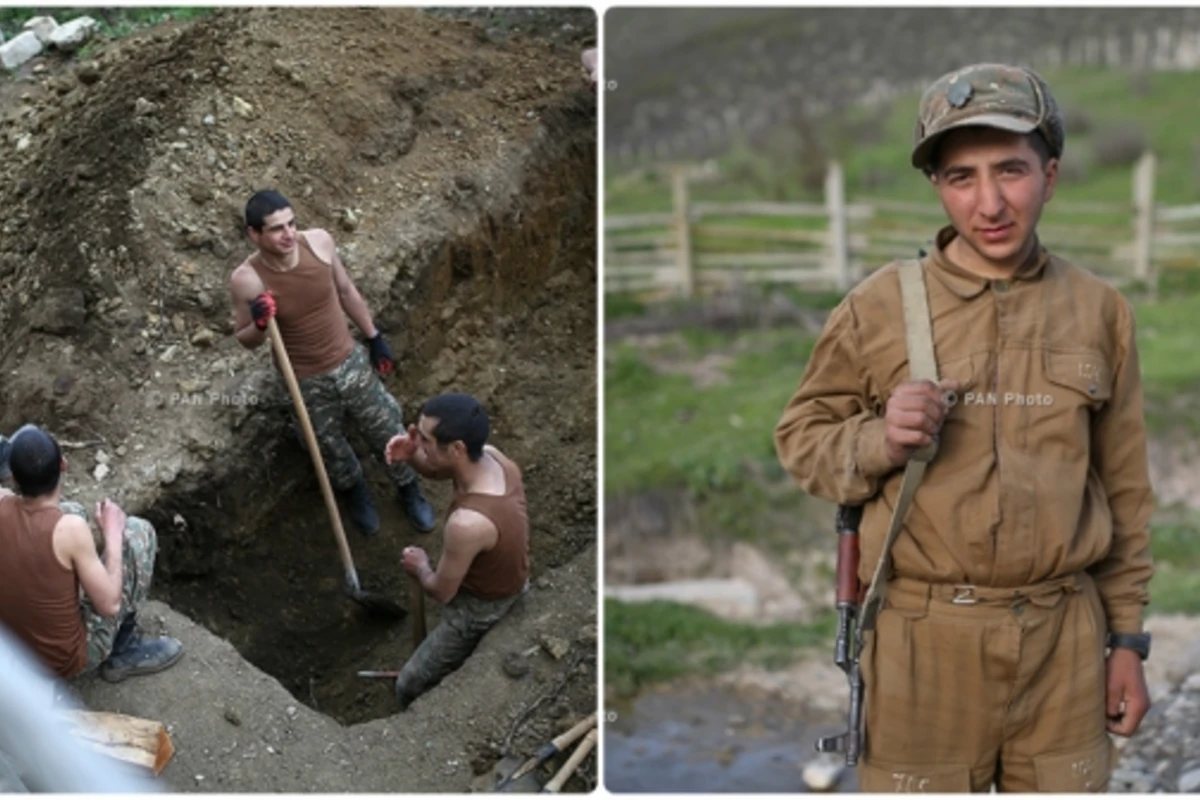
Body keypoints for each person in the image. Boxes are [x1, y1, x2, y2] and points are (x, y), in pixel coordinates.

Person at [774, 63, 1154, 793]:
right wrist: (880, 438)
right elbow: (802, 440)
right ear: (937, 188)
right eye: (961, 177)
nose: (990, 203)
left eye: (1010, 170)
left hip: (1064, 645)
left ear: (1050, 174)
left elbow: (1126, 492)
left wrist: (1128, 641)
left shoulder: (1102, 312)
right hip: (924, 644)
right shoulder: (877, 308)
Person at [229, 189, 435, 536]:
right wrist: (260, 322)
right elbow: (245, 339)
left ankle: (408, 487)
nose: (289, 234)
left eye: (292, 223)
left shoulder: (320, 244)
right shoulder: (247, 280)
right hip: (304, 380)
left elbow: (345, 290)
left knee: (386, 425)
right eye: (277, 228)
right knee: (328, 446)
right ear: (254, 234)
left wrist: (374, 337)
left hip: (349, 362)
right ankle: (355, 491)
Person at [0, 425, 183, 684]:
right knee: (138, 532)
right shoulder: (70, 531)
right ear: (63, 464)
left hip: (14, 652)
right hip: (62, 661)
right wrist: (113, 533)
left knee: (72, 509)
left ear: (15, 479)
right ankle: (123, 650)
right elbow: (109, 606)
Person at [383, 393, 530, 709]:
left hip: (483, 607)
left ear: (458, 448)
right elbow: (440, 469)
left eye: (424, 439)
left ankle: (418, 713)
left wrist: (421, 566)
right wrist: (411, 455)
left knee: (408, 682)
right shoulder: (492, 458)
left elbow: (441, 593)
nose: (417, 441)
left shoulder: (468, 525)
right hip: (508, 577)